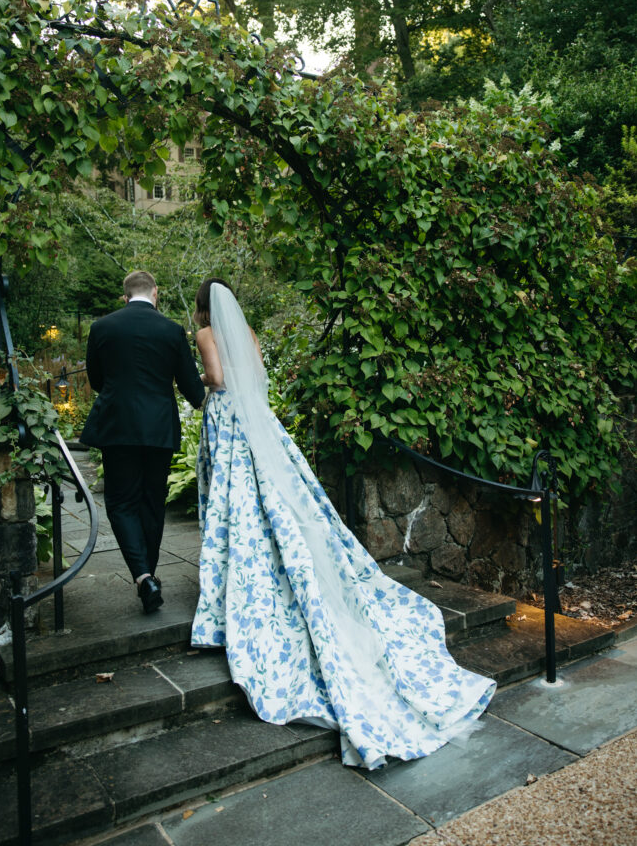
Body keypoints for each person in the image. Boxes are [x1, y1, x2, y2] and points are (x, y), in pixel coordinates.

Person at [191, 278, 496, 769]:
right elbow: (258, 377)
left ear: (205, 309)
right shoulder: (247, 332)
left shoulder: (206, 335)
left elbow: (221, 380)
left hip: (229, 422)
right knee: (277, 502)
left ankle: (238, 583)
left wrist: (203, 379)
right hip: (260, 421)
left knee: (235, 506)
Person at [81, 270, 205, 613]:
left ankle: (143, 576)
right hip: (158, 428)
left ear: (125, 296)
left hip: (117, 426)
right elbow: (192, 388)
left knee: (121, 503)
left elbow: (96, 379)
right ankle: (148, 576)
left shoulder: (102, 328)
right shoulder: (172, 330)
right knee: (152, 502)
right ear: (156, 293)